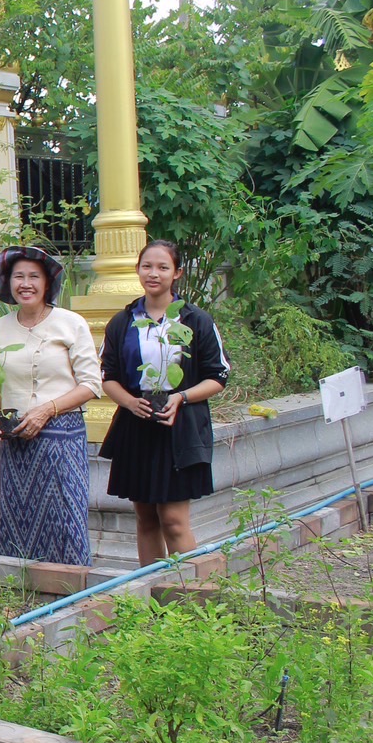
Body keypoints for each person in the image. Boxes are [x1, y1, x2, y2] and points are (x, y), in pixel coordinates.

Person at [100, 240, 230, 566]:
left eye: (162, 267)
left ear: (177, 273)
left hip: (180, 426)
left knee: (173, 520)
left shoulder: (195, 321)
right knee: (146, 519)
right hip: (136, 425)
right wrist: (129, 402)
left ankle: (197, 600)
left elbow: (218, 376)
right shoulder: (123, 321)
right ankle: (155, 600)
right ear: (138, 270)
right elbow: (108, 376)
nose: (153, 274)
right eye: (147, 266)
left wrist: (180, 397)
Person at [0, 246, 103, 565]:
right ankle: (17, 587)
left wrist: (48, 409)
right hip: (16, 438)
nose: (26, 283)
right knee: (17, 515)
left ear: (47, 283)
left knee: (64, 515)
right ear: (8, 284)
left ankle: (71, 587)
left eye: (34, 276)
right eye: (18, 276)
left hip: (61, 436)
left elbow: (91, 384)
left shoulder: (70, 324)